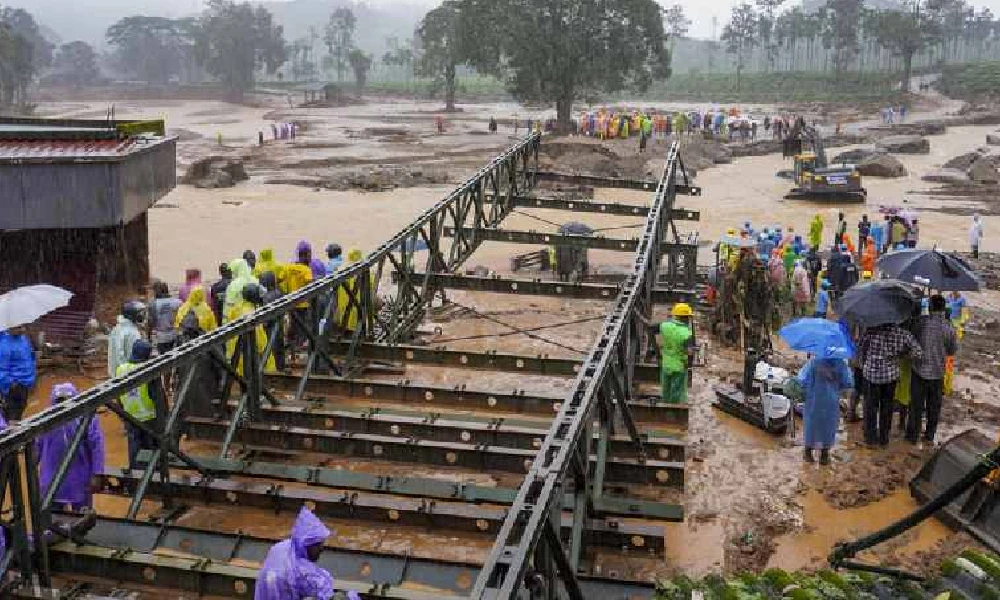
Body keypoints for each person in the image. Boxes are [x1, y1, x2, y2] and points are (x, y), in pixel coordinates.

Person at [255, 506, 359, 600]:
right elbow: (324, 591)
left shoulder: (281, 548)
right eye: (318, 545)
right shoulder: (301, 570)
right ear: (306, 544)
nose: (321, 549)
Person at [36, 382, 104, 511]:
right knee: (53, 522)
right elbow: (36, 448)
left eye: (67, 400)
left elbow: (97, 446)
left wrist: (97, 474)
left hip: (79, 478)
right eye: (59, 401)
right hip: (52, 481)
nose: (63, 405)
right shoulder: (44, 420)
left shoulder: (86, 417)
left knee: (82, 521)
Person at [859, 322, 923, 446]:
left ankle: (870, 439)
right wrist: (903, 355)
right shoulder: (902, 333)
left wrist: (863, 363)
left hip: (871, 375)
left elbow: (861, 348)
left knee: (870, 408)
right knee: (887, 408)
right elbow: (918, 352)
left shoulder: (870, 331)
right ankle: (884, 439)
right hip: (890, 377)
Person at [908, 295, 957, 444]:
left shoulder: (920, 323)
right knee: (933, 408)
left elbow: (911, 339)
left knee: (916, 406)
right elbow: (951, 351)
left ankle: (912, 436)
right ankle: (929, 436)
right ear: (943, 309)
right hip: (937, 373)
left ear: (929, 307)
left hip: (919, 371)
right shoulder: (949, 328)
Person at [116, 340, 165, 470]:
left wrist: (121, 411)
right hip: (148, 416)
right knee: (150, 448)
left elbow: (117, 394)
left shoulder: (121, 369)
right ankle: (150, 475)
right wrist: (164, 417)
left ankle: (134, 473)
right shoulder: (149, 371)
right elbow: (158, 397)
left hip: (129, 415)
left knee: (134, 445)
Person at [798, 356, 853, 464]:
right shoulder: (840, 363)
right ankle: (824, 454)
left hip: (814, 399)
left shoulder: (813, 362)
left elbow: (802, 380)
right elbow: (848, 382)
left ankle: (808, 452)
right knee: (828, 426)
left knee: (811, 424)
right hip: (831, 401)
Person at [654, 303, 694, 404]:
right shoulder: (686, 333)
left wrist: (657, 351)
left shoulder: (665, 326)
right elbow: (690, 352)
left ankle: (664, 406)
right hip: (679, 367)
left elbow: (652, 330)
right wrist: (689, 364)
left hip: (666, 364)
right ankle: (673, 412)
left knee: (665, 390)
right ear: (686, 318)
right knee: (677, 392)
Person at [0, 327, 36, 421]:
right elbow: (2, 370)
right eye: (19, 327)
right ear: (10, 328)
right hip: (14, 386)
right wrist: (11, 385)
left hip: (25, 383)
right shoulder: (4, 346)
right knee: (12, 417)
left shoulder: (23, 339)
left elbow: (29, 358)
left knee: (20, 409)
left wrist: (31, 380)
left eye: (23, 326)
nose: (23, 329)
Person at [108, 300, 145, 379]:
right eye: (139, 313)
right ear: (132, 315)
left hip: (115, 372)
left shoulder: (117, 328)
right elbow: (128, 354)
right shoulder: (131, 332)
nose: (141, 315)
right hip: (126, 374)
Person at [149, 280, 182, 355]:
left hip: (161, 336)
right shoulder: (178, 302)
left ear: (156, 292)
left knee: (163, 357)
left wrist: (149, 336)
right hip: (175, 334)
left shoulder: (153, 304)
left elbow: (151, 322)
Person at [210, 262, 232, 327]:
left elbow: (213, 302)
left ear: (220, 273)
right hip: (231, 316)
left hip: (219, 317)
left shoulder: (214, 287)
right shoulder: (233, 284)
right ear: (230, 272)